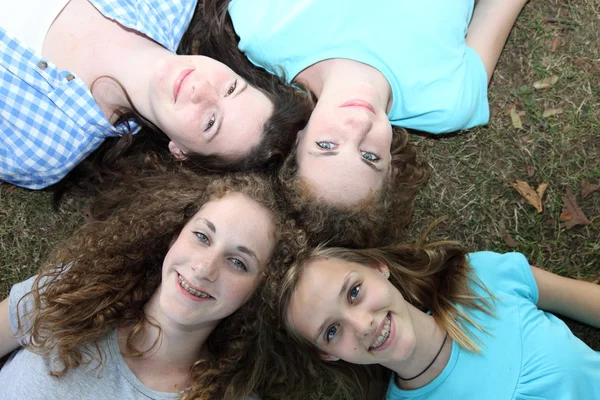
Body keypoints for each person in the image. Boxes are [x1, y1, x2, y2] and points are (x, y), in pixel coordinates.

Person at [0, 170, 303, 399]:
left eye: (238, 262)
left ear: (259, 290)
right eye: (202, 237)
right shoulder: (76, 289)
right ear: (175, 235)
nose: (204, 268)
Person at [201, 0, 529, 207]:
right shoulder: (447, 103)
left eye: (327, 145)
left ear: (299, 138)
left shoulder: (266, 32)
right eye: (369, 156)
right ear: (391, 169)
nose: (357, 127)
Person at [0, 0, 312, 190]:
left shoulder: (41, 149)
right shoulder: (171, 3)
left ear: (181, 152)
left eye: (210, 121)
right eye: (231, 88)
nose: (201, 90)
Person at [274, 241, 600, 399]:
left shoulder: (479, 279)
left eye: (354, 292)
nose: (363, 326)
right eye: (332, 331)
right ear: (329, 354)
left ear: (378, 268)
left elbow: (589, 303)